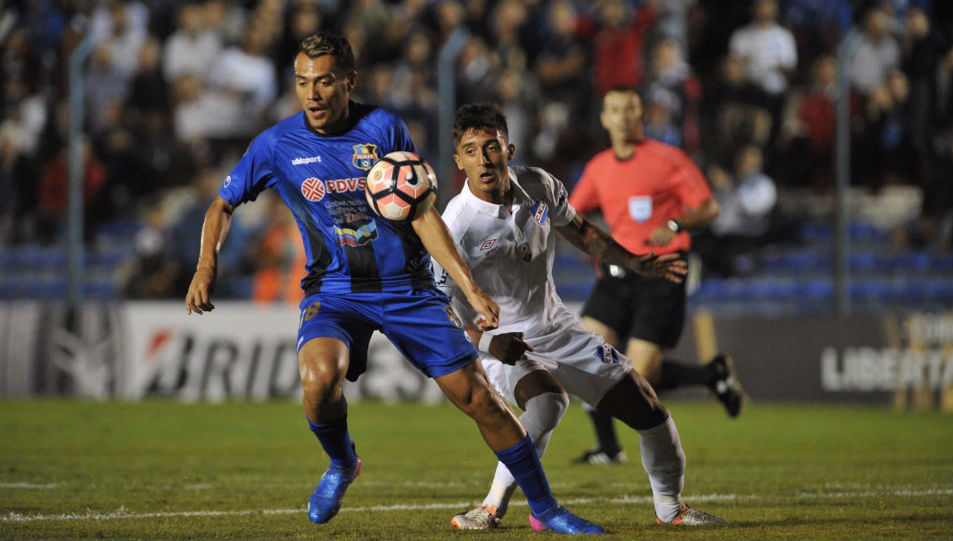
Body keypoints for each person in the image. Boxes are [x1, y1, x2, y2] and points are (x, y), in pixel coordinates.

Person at [183, 32, 602, 535]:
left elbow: (422, 211)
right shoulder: (276, 144)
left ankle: (547, 509)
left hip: (408, 289)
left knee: (480, 400)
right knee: (318, 383)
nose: (312, 94)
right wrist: (206, 265)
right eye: (302, 83)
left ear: (349, 81)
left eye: (325, 82)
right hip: (334, 292)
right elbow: (221, 204)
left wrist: (469, 289)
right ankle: (342, 464)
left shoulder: (383, 128)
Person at [439, 103, 728, 529]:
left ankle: (671, 509)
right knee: (546, 405)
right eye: (471, 150)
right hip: (503, 341)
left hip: (557, 327)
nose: (483, 159)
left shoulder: (538, 185)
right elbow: (437, 306)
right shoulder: (456, 226)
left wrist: (633, 262)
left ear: (509, 149)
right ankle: (491, 506)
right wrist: (485, 343)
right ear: (458, 161)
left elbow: (583, 231)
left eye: (491, 147)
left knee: (650, 411)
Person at [569, 87, 742, 465]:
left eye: (630, 109)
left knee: (635, 381)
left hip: (663, 270)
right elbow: (571, 215)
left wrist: (677, 221)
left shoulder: (668, 159)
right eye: (615, 110)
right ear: (604, 118)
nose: (623, 117)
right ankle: (610, 448)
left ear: (641, 114)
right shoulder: (598, 167)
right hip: (617, 274)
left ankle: (709, 377)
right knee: (588, 361)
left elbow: (709, 207)